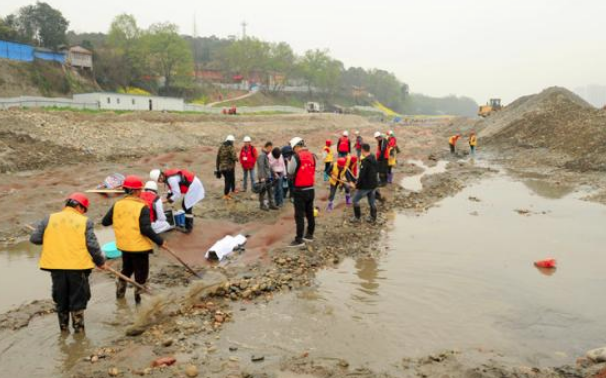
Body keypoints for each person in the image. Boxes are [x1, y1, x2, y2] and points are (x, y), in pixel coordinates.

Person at [30, 193, 106, 333]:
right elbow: (92, 246)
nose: (83, 213)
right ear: (79, 206)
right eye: (84, 210)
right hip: (77, 268)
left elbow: (35, 239)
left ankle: (63, 330)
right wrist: (100, 262)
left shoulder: (49, 218)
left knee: (61, 297)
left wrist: (51, 237)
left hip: (56, 267)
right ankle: (79, 332)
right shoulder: (85, 222)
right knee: (78, 297)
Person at [102, 175, 165, 304]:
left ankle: (120, 293)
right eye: (140, 190)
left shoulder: (117, 204)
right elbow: (146, 229)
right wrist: (160, 241)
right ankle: (139, 302)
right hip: (139, 248)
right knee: (141, 276)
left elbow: (105, 222)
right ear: (136, 191)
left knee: (127, 269)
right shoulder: (142, 206)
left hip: (124, 246)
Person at [149, 168, 205, 234]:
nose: (161, 180)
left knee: (186, 207)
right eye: (159, 180)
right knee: (186, 206)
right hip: (193, 183)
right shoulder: (167, 176)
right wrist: (168, 195)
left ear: (161, 174)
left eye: (160, 178)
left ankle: (188, 228)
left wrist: (167, 200)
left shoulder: (171, 179)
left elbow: (177, 193)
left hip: (194, 186)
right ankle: (188, 224)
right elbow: (173, 188)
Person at [287, 137, 316, 247]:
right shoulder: (312, 155)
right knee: (310, 213)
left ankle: (299, 239)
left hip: (300, 190)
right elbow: (312, 170)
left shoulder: (295, 156)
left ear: (296, 147)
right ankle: (309, 235)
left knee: (299, 215)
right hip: (310, 189)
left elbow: (290, 172)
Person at [350, 144, 378, 223]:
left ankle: (357, 218)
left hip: (365, 186)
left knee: (355, 200)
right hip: (373, 185)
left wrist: (357, 186)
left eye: (360, 149)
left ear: (362, 150)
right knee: (372, 202)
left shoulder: (364, 161)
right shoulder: (374, 158)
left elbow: (362, 176)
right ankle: (373, 218)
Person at [257, 141, 278, 211]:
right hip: (263, 177)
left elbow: (268, 166)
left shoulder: (266, 155)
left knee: (270, 190)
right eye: (271, 148)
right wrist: (262, 177)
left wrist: (274, 173)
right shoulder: (262, 155)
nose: (271, 150)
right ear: (268, 147)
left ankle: (271, 204)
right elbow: (261, 167)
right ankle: (262, 205)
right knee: (263, 192)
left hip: (268, 177)